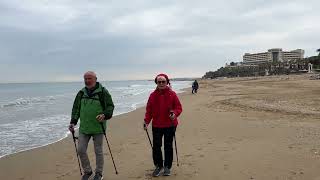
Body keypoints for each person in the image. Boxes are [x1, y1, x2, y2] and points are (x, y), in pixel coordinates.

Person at [69, 71, 115, 180]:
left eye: (89, 78)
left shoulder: (103, 92)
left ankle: (99, 173)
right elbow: (76, 108)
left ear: (95, 79)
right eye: (85, 79)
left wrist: (104, 115)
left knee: (98, 151)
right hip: (84, 128)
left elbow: (110, 107)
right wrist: (73, 122)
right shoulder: (81, 93)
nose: (87, 81)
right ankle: (88, 171)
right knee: (81, 150)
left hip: (98, 127)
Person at [144, 73, 183, 177]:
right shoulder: (152, 95)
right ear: (156, 83)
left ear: (167, 82)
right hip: (157, 125)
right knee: (156, 147)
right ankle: (158, 166)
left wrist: (174, 113)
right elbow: (149, 110)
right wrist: (146, 121)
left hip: (170, 124)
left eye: (163, 81)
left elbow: (179, 108)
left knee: (168, 146)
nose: (161, 83)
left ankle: (167, 167)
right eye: (159, 81)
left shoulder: (172, 94)